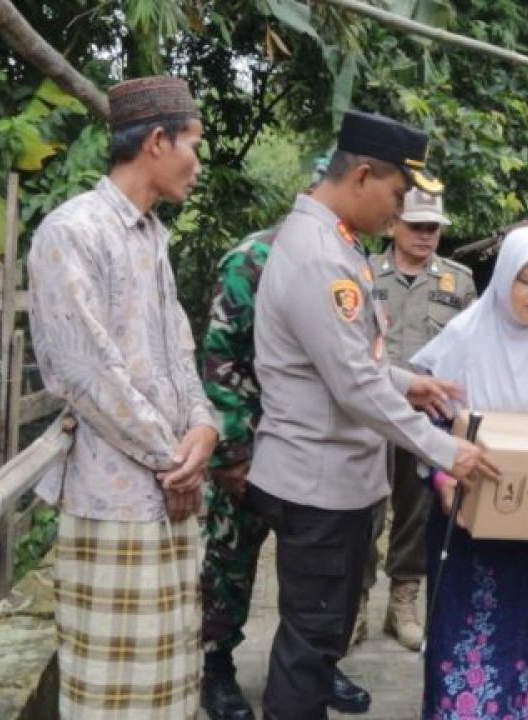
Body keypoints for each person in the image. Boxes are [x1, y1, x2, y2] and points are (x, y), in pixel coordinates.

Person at [247, 109, 499, 719]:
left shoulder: (333, 244)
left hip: (332, 480)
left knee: (319, 637)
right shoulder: (320, 258)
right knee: (310, 644)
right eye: (396, 195)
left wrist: (411, 384)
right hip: (318, 486)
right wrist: (444, 450)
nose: (399, 212)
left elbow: (348, 360)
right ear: (362, 175)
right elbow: (353, 383)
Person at [26, 76, 217, 719]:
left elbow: (179, 352)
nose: (199, 160)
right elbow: (87, 376)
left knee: (166, 688)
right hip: (116, 506)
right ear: (157, 141)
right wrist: (175, 460)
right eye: (194, 142)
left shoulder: (151, 237)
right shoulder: (72, 231)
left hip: (170, 497)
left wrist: (203, 428)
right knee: (113, 698)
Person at [410, 226, 528, 719]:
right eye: (526, 280)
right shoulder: (463, 338)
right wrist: (443, 479)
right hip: (471, 521)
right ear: (501, 280)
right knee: (466, 629)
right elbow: (426, 417)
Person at [198, 159, 338, 720]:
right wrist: (232, 452)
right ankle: (217, 669)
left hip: (315, 448)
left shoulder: (345, 263)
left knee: (314, 569)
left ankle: (314, 668)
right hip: (254, 446)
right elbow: (220, 358)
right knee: (231, 559)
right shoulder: (253, 259)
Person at [356, 187, 478, 651]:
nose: (427, 235)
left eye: (434, 228)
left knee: (416, 509)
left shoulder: (459, 282)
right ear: (393, 226)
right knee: (365, 512)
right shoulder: (363, 272)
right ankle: (357, 601)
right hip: (369, 414)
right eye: (417, 226)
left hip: (426, 415)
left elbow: (469, 351)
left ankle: (402, 600)